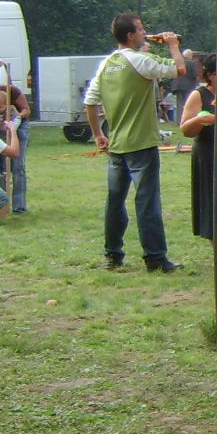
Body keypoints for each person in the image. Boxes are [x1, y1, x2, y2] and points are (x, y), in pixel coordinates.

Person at [84, 14, 187, 272]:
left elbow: (90, 102)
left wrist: (98, 134)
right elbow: (179, 69)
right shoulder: (141, 61)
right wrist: (173, 45)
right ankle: (155, 258)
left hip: (117, 144)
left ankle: (113, 255)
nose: (145, 32)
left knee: (115, 201)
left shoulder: (107, 64)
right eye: (140, 29)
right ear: (130, 35)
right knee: (147, 202)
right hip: (141, 143)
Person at [180, 52, 217, 265]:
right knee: (212, 200)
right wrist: (202, 119)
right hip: (208, 154)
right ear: (210, 75)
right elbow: (185, 128)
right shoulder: (199, 95)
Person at [0, 85, 32, 215]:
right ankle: (1, 204)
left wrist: (11, 128)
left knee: (17, 166)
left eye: (0, 107)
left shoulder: (12, 110)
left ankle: (19, 206)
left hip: (13, 134)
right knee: (0, 168)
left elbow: (20, 117)